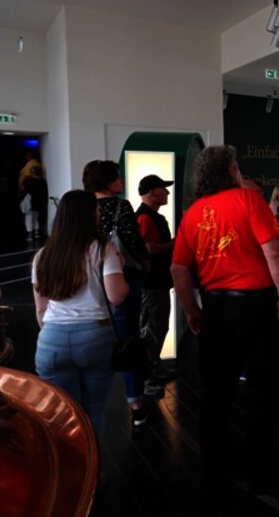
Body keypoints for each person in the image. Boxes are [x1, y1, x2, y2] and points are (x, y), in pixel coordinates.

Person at [170, 145, 279, 491]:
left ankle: (213, 463)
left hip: (215, 308)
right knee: (263, 389)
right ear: (231, 170)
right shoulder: (248, 200)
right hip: (256, 306)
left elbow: (178, 269)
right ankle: (261, 467)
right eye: (237, 166)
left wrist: (192, 310)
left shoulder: (193, 213)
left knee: (216, 391)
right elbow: (273, 252)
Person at [33, 190, 129, 437]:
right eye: (96, 209)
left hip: (51, 340)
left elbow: (41, 309)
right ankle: (92, 461)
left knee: (61, 415)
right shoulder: (103, 249)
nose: (99, 213)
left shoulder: (43, 256)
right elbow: (117, 295)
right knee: (93, 411)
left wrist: (58, 333)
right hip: (95, 338)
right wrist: (122, 270)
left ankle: (68, 461)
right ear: (87, 215)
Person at [83, 160, 151, 426]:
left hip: (91, 278)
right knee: (128, 337)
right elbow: (133, 241)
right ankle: (135, 401)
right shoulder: (121, 206)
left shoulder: (82, 205)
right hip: (122, 276)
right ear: (108, 181)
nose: (122, 182)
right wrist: (145, 263)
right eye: (118, 177)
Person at [135, 174, 175, 394]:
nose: (167, 192)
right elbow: (150, 248)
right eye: (162, 188)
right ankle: (147, 376)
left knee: (157, 327)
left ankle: (154, 367)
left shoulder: (150, 216)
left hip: (156, 282)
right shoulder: (146, 217)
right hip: (151, 284)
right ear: (151, 192)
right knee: (152, 329)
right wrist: (175, 242)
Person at [19, 165, 48, 240]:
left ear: (32, 172)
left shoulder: (28, 181)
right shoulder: (43, 181)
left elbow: (21, 188)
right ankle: (36, 232)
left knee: (29, 218)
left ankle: (30, 234)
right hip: (38, 202)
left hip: (30, 202)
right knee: (36, 217)